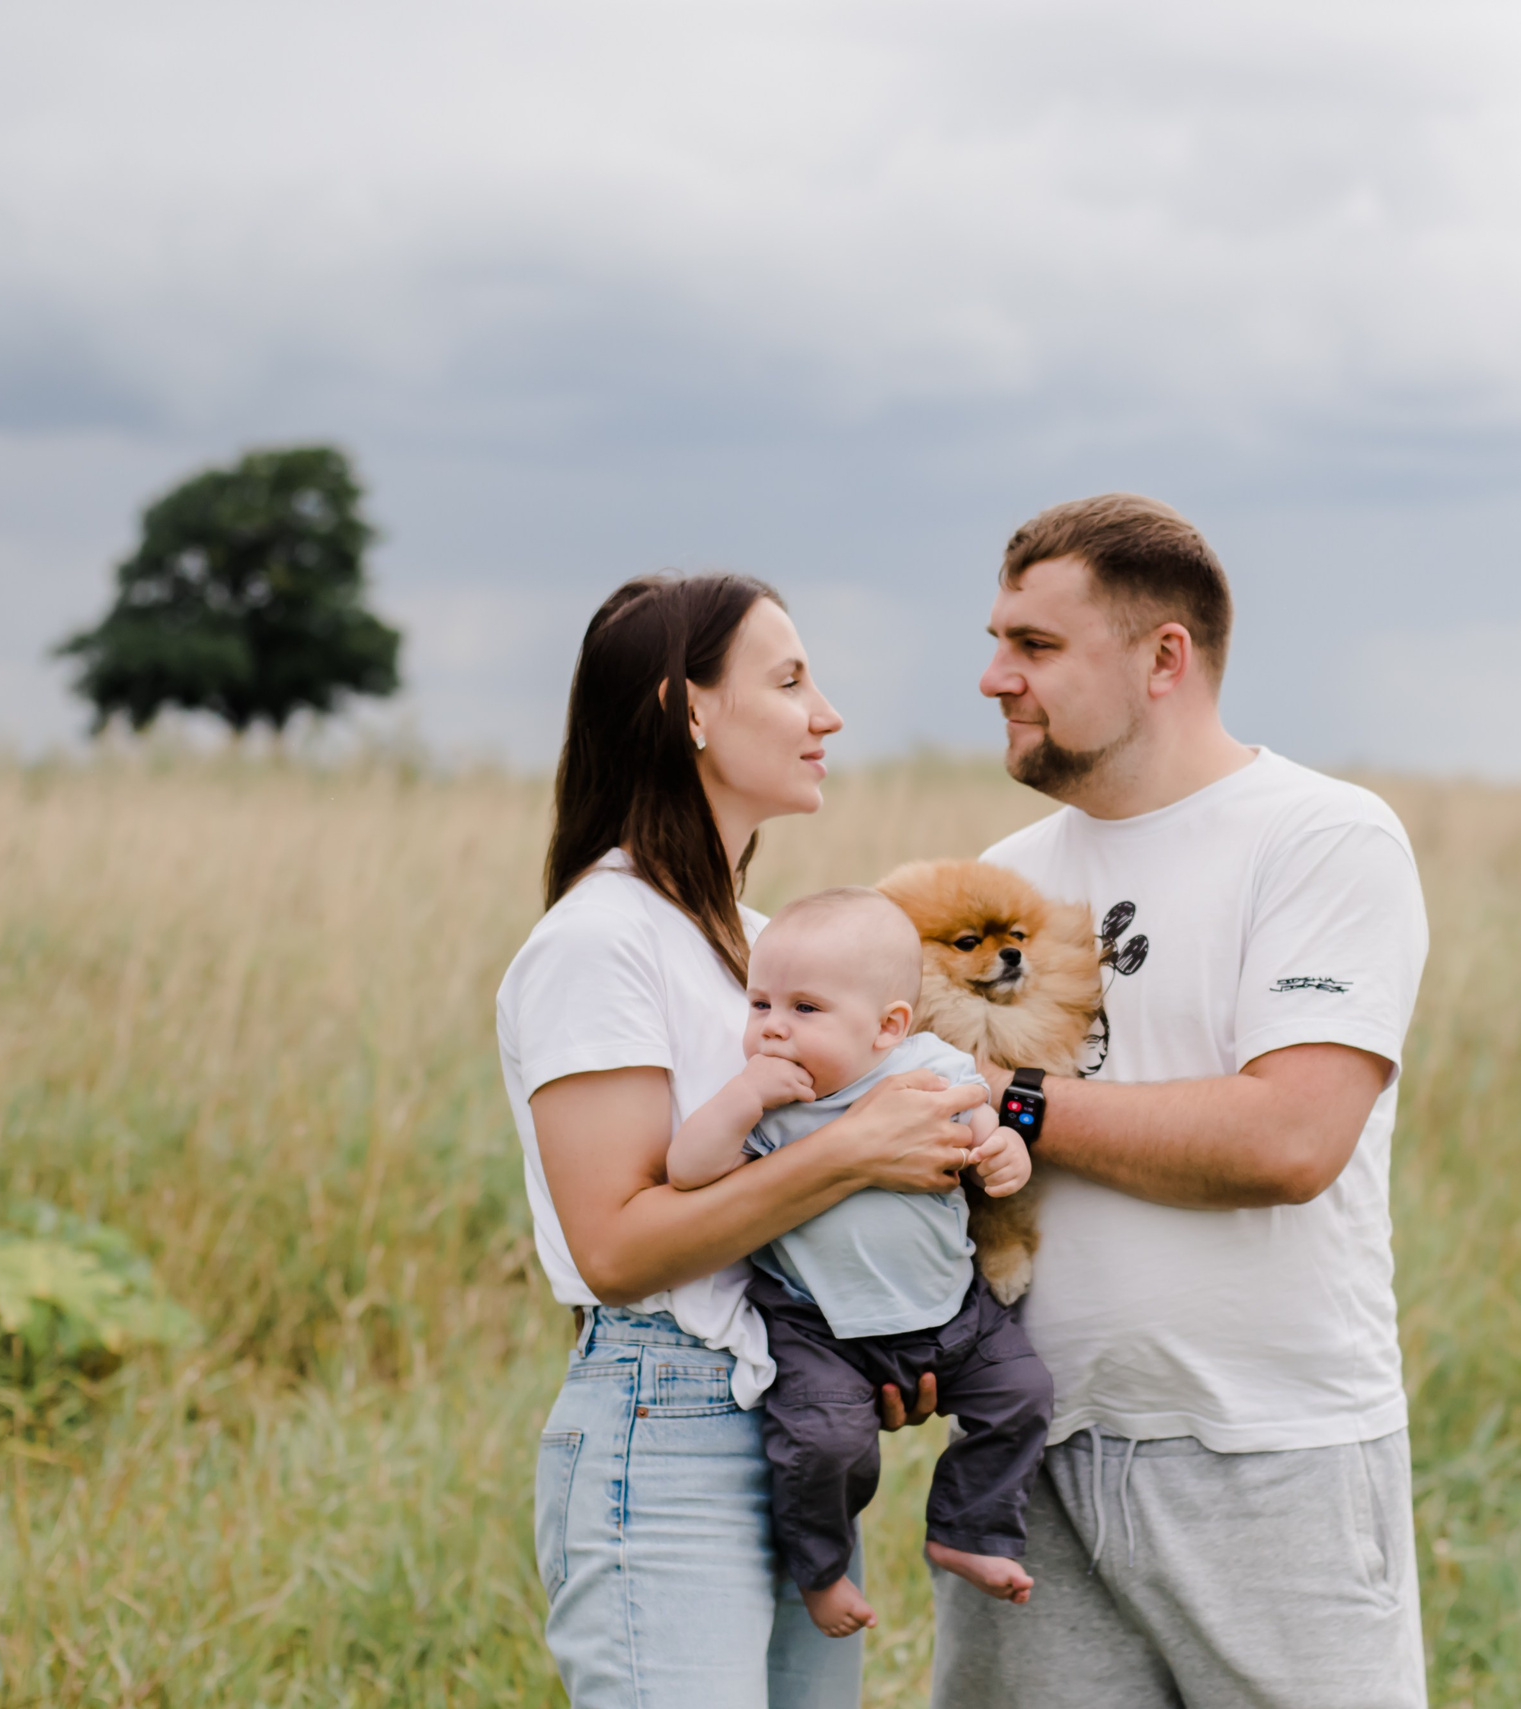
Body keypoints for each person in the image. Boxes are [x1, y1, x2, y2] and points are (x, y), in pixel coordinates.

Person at [925, 495, 1433, 1709]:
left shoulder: (1320, 838)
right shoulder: (1007, 878)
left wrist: (1010, 1098)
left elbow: (1289, 1135)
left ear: (1165, 657)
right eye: (998, 639)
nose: (995, 676)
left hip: (1268, 1453)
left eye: (1036, 647)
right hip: (1026, 1463)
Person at [495, 572, 1016, 1708]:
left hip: (788, 1413)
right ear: (690, 711)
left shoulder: (772, 951)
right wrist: (852, 1152)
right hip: (665, 1423)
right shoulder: (599, 941)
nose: (826, 712)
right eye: (789, 681)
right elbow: (617, 1250)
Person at [668, 886, 1052, 1639]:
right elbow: (687, 1168)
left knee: (1025, 1393)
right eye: (760, 1005)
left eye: (805, 1009)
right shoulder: (770, 1102)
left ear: (889, 1026)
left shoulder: (929, 1064)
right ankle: (818, 1567)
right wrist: (744, 1098)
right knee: (823, 1445)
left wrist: (1004, 1149)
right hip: (819, 1325)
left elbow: (981, 1127)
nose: (774, 1028)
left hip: (951, 1308)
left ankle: (967, 1527)